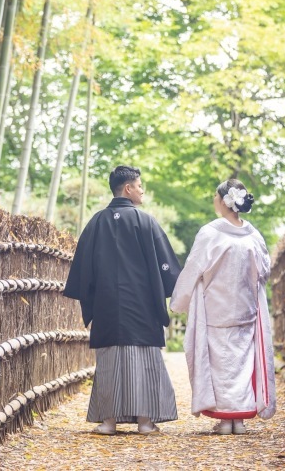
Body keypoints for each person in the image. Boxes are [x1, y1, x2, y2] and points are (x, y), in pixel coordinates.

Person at [64, 165, 181, 435]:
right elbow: (167, 267)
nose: (142, 190)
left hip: (107, 306)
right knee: (145, 360)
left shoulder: (96, 222)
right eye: (140, 186)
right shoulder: (146, 222)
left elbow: (83, 269)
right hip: (142, 305)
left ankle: (108, 421)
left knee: (110, 361)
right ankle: (145, 422)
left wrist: (92, 297)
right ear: (128, 189)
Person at [169, 179, 276, 435]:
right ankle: (237, 420)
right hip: (245, 308)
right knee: (241, 362)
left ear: (223, 201)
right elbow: (264, 272)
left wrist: (179, 301)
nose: (214, 201)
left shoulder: (210, 233)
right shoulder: (253, 236)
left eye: (215, 197)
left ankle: (226, 419)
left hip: (216, 307)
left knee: (220, 363)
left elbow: (193, 268)